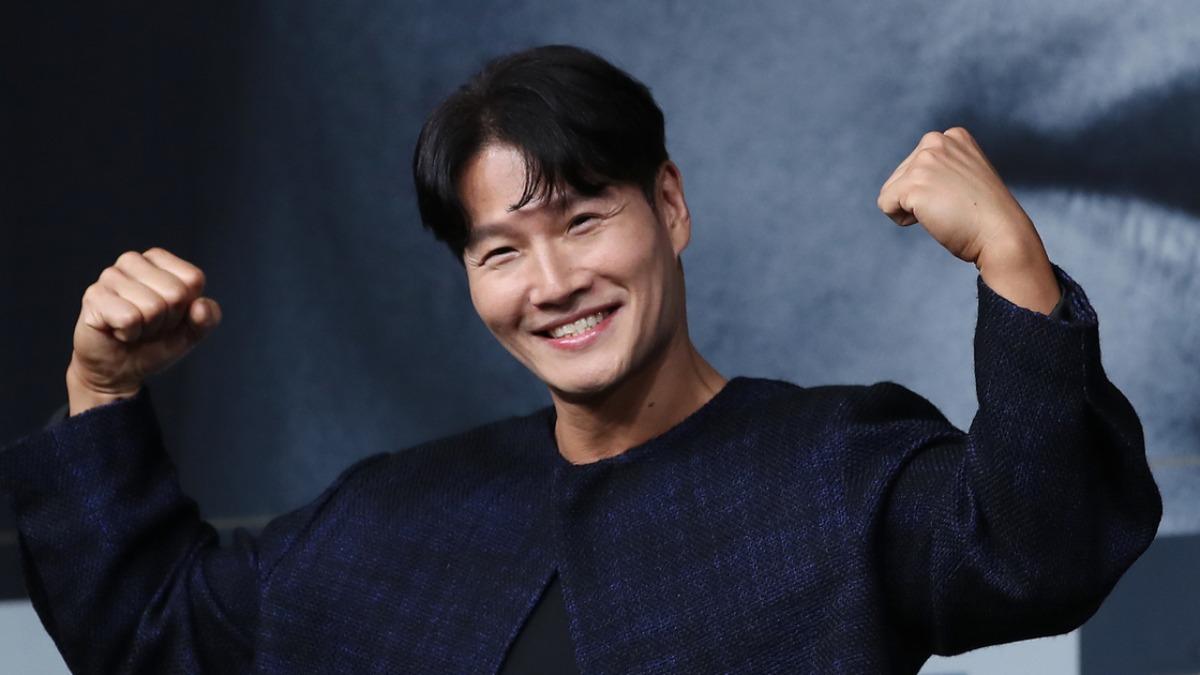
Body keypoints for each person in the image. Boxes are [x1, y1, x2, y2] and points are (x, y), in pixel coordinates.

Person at [0, 44, 1162, 674]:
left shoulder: (837, 468)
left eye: (584, 220)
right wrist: (101, 391)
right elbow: (152, 632)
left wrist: (1014, 264)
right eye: (500, 249)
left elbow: (1035, 552)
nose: (551, 282)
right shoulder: (388, 521)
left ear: (670, 206)